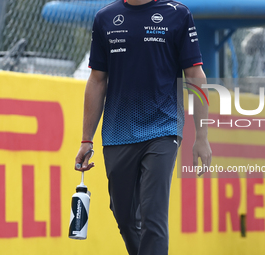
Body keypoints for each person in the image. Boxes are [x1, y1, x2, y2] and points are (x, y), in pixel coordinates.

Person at [74, 0, 212, 254]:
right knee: (125, 218)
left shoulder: (177, 14)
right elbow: (96, 79)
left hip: (163, 128)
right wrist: (86, 139)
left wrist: (201, 136)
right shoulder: (105, 18)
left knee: (152, 214)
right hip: (117, 132)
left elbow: (195, 75)